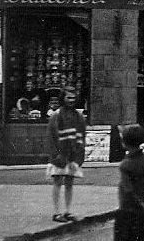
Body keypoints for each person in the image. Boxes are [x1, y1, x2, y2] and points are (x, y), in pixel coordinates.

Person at [114, 124, 144, 241]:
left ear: (124, 143)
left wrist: (141, 205)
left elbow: (128, 190)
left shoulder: (125, 165)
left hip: (128, 211)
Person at [47, 87, 86, 223]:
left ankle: (68, 211)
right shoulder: (56, 115)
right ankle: (56, 213)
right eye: (68, 97)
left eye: (73, 97)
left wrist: (78, 157)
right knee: (58, 181)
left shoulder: (79, 116)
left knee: (69, 182)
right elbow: (51, 138)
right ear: (63, 98)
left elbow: (81, 136)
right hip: (60, 154)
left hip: (72, 154)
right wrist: (56, 155)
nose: (71, 100)